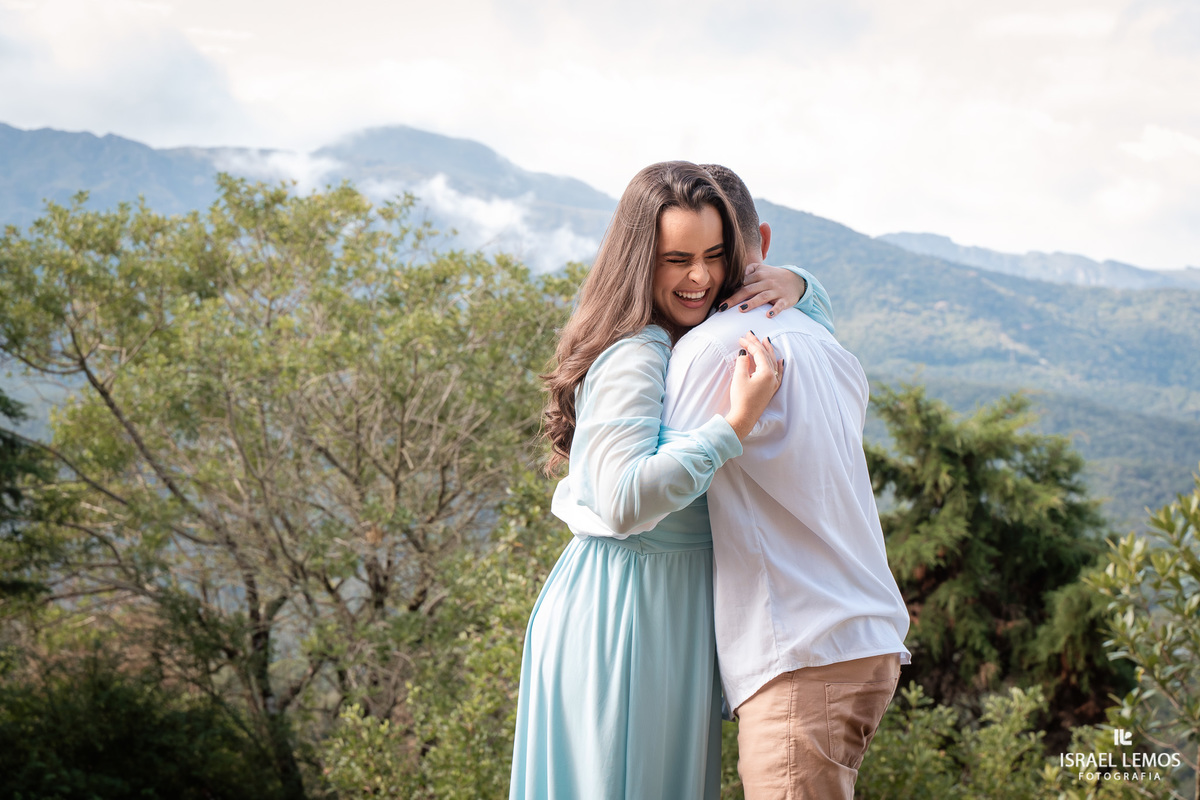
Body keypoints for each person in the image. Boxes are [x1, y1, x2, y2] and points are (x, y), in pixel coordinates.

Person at [508, 161, 831, 800]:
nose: (701, 278)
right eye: (676, 259)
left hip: (670, 611)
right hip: (626, 613)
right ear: (638, 261)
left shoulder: (694, 335)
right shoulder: (638, 351)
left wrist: (797, 282)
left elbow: (815, 314)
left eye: (715, 255)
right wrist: (732, 425)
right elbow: (626, 501)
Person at [662, 164, 911, 799]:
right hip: (860, 637)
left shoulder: (715, 351)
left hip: (803, 651)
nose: (700, 278)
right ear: (765, 241)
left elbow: (653, 494)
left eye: (714, 257)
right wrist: (804, 284)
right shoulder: (826, 343)